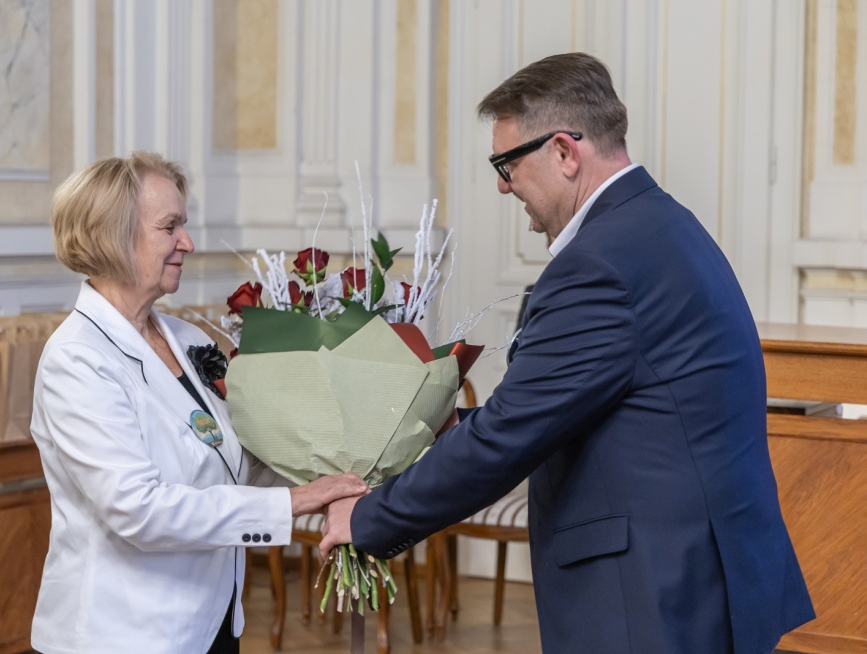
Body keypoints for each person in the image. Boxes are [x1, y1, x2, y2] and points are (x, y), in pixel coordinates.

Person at [321, 53, 815, 653]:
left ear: (563, 151)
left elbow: (512, 436)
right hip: (700, 569)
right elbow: (586, 409)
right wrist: (445, 425)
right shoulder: (661, 225)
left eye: (506, 164)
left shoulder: (599, 264)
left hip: (654, 591)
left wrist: (368, 518)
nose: (502, 184)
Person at [30, 151, 368, 654]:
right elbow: (139, 510)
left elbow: (236, 462)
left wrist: (335, 475)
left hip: (212, 622)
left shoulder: (188, 339)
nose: (187, 242)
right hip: (124, 634)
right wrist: (294, 502)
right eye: (170, 227)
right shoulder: (77, 359)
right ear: (112, 236)